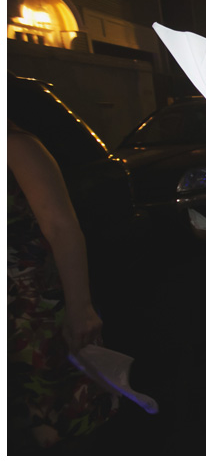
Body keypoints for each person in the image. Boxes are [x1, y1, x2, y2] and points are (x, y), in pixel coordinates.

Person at [8, 121, 116, 451]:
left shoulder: (16, 144)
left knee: (50, 425)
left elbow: (61, 226)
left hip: (30, 310)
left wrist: (80, 308)